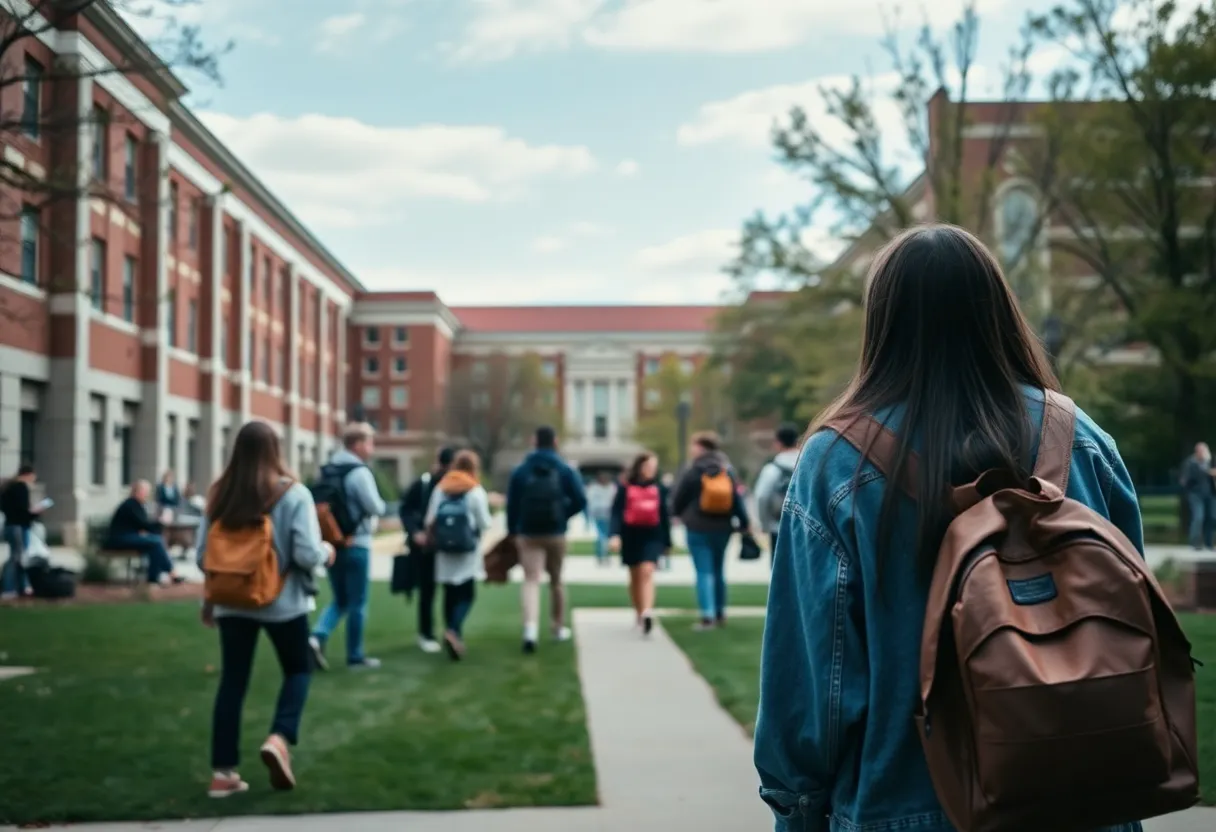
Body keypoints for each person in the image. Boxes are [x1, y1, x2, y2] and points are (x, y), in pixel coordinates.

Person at [753, 225, 1146, 832]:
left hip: (903, 803)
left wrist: (796, 808)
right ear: (997, 311)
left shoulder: (836, 460)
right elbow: (1133, 617)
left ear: (883, 323)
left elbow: (814, 679)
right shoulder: (1083, 442)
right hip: (1083, 791)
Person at [196, 420, 333, 798]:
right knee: (297, 668)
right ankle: (279, 737)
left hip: (231, 602)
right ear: (276, 451)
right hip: (283, 602)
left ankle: (223, 774)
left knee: (232, 682)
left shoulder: (220, 493)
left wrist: (210, 598)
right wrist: (328, 552)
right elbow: (307, 553)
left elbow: (202, 556)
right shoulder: (293, 494)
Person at [308, 422, 387, 670]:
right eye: (370, 442)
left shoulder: (328, 470)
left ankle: (316, 637)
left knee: (340, 599)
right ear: (358, 444)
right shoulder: (359, 472)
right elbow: (376, 507)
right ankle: (355, 656)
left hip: (332, 543)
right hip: (357, 543)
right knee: (357, 602)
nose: (372, 448)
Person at [506, 425, 586, 653]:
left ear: (534, 441)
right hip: (556, 532)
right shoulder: (565, 470)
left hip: (528, 533)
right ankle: (557, 627)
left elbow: (512, 505)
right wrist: (563, 515)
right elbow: (580, 500)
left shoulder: (521, 471)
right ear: (555, 442)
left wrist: (513, 531)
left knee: (531, 580)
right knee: (557, 581)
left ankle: (530, 629)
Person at [670, 431, 750, 630]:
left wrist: (677, 514)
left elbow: (679, 497)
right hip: (722, 526)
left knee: (703, 571)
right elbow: (736, 499)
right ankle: (720, 612)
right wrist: (744, 522)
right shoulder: (727, 469)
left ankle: (707, 615)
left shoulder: (694, 469)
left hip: (697, 526)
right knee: (718, 570)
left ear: (701, 447)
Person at [424, 449, 493, 660]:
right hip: (467, 549)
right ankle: (454, 630)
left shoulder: (441, 488)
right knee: (467, 594)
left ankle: (453, 634)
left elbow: (429, 520)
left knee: (449, 593)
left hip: (444, 549)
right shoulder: (475, 490)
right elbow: (485, 523)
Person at [399, 446, 455, 653]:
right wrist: (415, 532)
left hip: (449, 546)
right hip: (426, 548)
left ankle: (451, 631)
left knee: (451, 591)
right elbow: (405, 510)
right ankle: (426, 633)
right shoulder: (423, 485)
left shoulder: (456, 486)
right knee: (427, 591)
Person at [608, 452, 671, 635]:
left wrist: (667, 542)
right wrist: (614, 535)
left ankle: (647, 612)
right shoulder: (625, 487)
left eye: (654, 466)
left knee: (647, 571)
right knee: (635, 574)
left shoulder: (659, 488)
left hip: (653, 535)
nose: (651, 470)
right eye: (648, 466)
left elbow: (664, 515)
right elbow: (616, 512)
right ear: (639, 467)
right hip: (630, 535)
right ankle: (638, 610)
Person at [105, 480, 183, 586]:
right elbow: (144, 524)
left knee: (154, 544)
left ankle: (153, 578)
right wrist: (161, 522)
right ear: (138, 491)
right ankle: (171, 572)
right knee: (156, 541)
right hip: (119, 539)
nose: (147, 495)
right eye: (146, 491)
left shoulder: (136, 505)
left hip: (127, 536)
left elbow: (142, 526)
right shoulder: (131, 504)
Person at [753, 423, 801, 561]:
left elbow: (762, 496)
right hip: (805, 526)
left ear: (777, 443)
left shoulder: (772, 469)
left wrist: (764, 523)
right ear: (797, 441)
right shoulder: (807, 464)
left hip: (778, 526)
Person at [0, 465, 43, 600]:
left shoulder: (8, 488)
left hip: (10, 525)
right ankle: (9, 588)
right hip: (19, 526)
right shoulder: (21, 488)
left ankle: (21, 586)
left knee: (18, 557)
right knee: (17, 558)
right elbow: (23, 511)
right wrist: (35, 513)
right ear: (28, 475)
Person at [1180, 442, 1215, 550]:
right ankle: (1195, 542)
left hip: (1210, 493)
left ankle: (1209, 543)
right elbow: (1184, 479)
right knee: (1198, 517)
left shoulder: (1211, 461)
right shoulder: (1190, 463)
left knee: (1212, 517)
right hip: (1195, 494)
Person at [585, 471, 618, 566]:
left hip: (608, 514)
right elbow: (590, 501)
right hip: (599, 514)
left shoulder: (612, 488)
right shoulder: (594, 488)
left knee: (605, 536)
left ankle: (605, 555)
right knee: (601, 536)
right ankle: (601, 555)